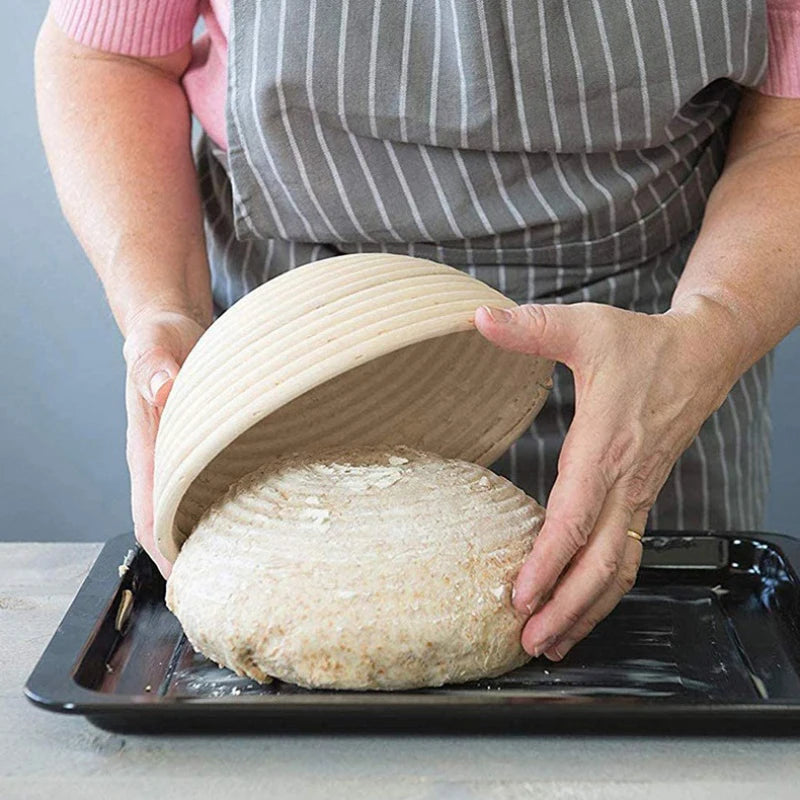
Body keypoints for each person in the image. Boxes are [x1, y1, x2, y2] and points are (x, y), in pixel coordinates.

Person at [36, 1, 800, 662]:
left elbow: (787, 129)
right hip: (295, 362)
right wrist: (160, 310)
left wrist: (712, 327)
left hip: (646, 344)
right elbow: (110, 53)